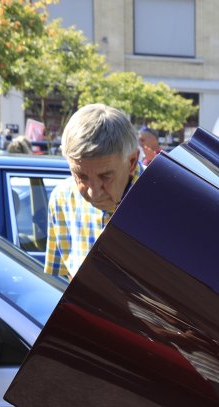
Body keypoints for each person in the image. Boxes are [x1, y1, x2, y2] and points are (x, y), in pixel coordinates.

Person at [43, 103, 140, 281]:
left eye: (105, 176)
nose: (93, 193)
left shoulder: (165, 202)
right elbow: (60, 282)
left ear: (132, 162)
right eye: (81, 176)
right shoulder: (62, 199)